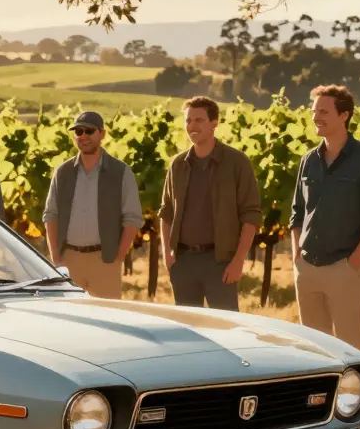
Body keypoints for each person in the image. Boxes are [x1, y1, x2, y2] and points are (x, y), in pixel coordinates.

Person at [289, 85, 360, 353]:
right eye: (314, 111)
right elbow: (297, 212)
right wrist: (296, 254)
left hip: (344, 268)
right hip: (307, 267)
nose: (316, 117)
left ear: (344, 115)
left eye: (323, 111)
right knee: (313, 349)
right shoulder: (308, 160)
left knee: (351, 347)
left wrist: (354, 261)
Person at [159, 96, 261, 311]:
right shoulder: (178, 164)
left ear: (214, 123)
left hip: (220, 262)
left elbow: (251, 215)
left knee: (226, 329)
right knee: (188, 331)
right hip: (183, 262)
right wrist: (167, 253)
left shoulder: (236, 162)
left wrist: (238, 261)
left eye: (199, 120)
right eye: (188, 120)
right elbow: (166, 212)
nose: (192, 126)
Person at [42, 110, 142, 299]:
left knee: (108, 320)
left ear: (102, 134)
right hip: (69, 260)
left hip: (104, 260)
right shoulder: (62, 172)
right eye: (79, 132)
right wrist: (56, 256)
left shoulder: (120, 172)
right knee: (70, 321)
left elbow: (132, 217)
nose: (83, 136)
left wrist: (118, 257)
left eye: (89, 131)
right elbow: (51, 214)